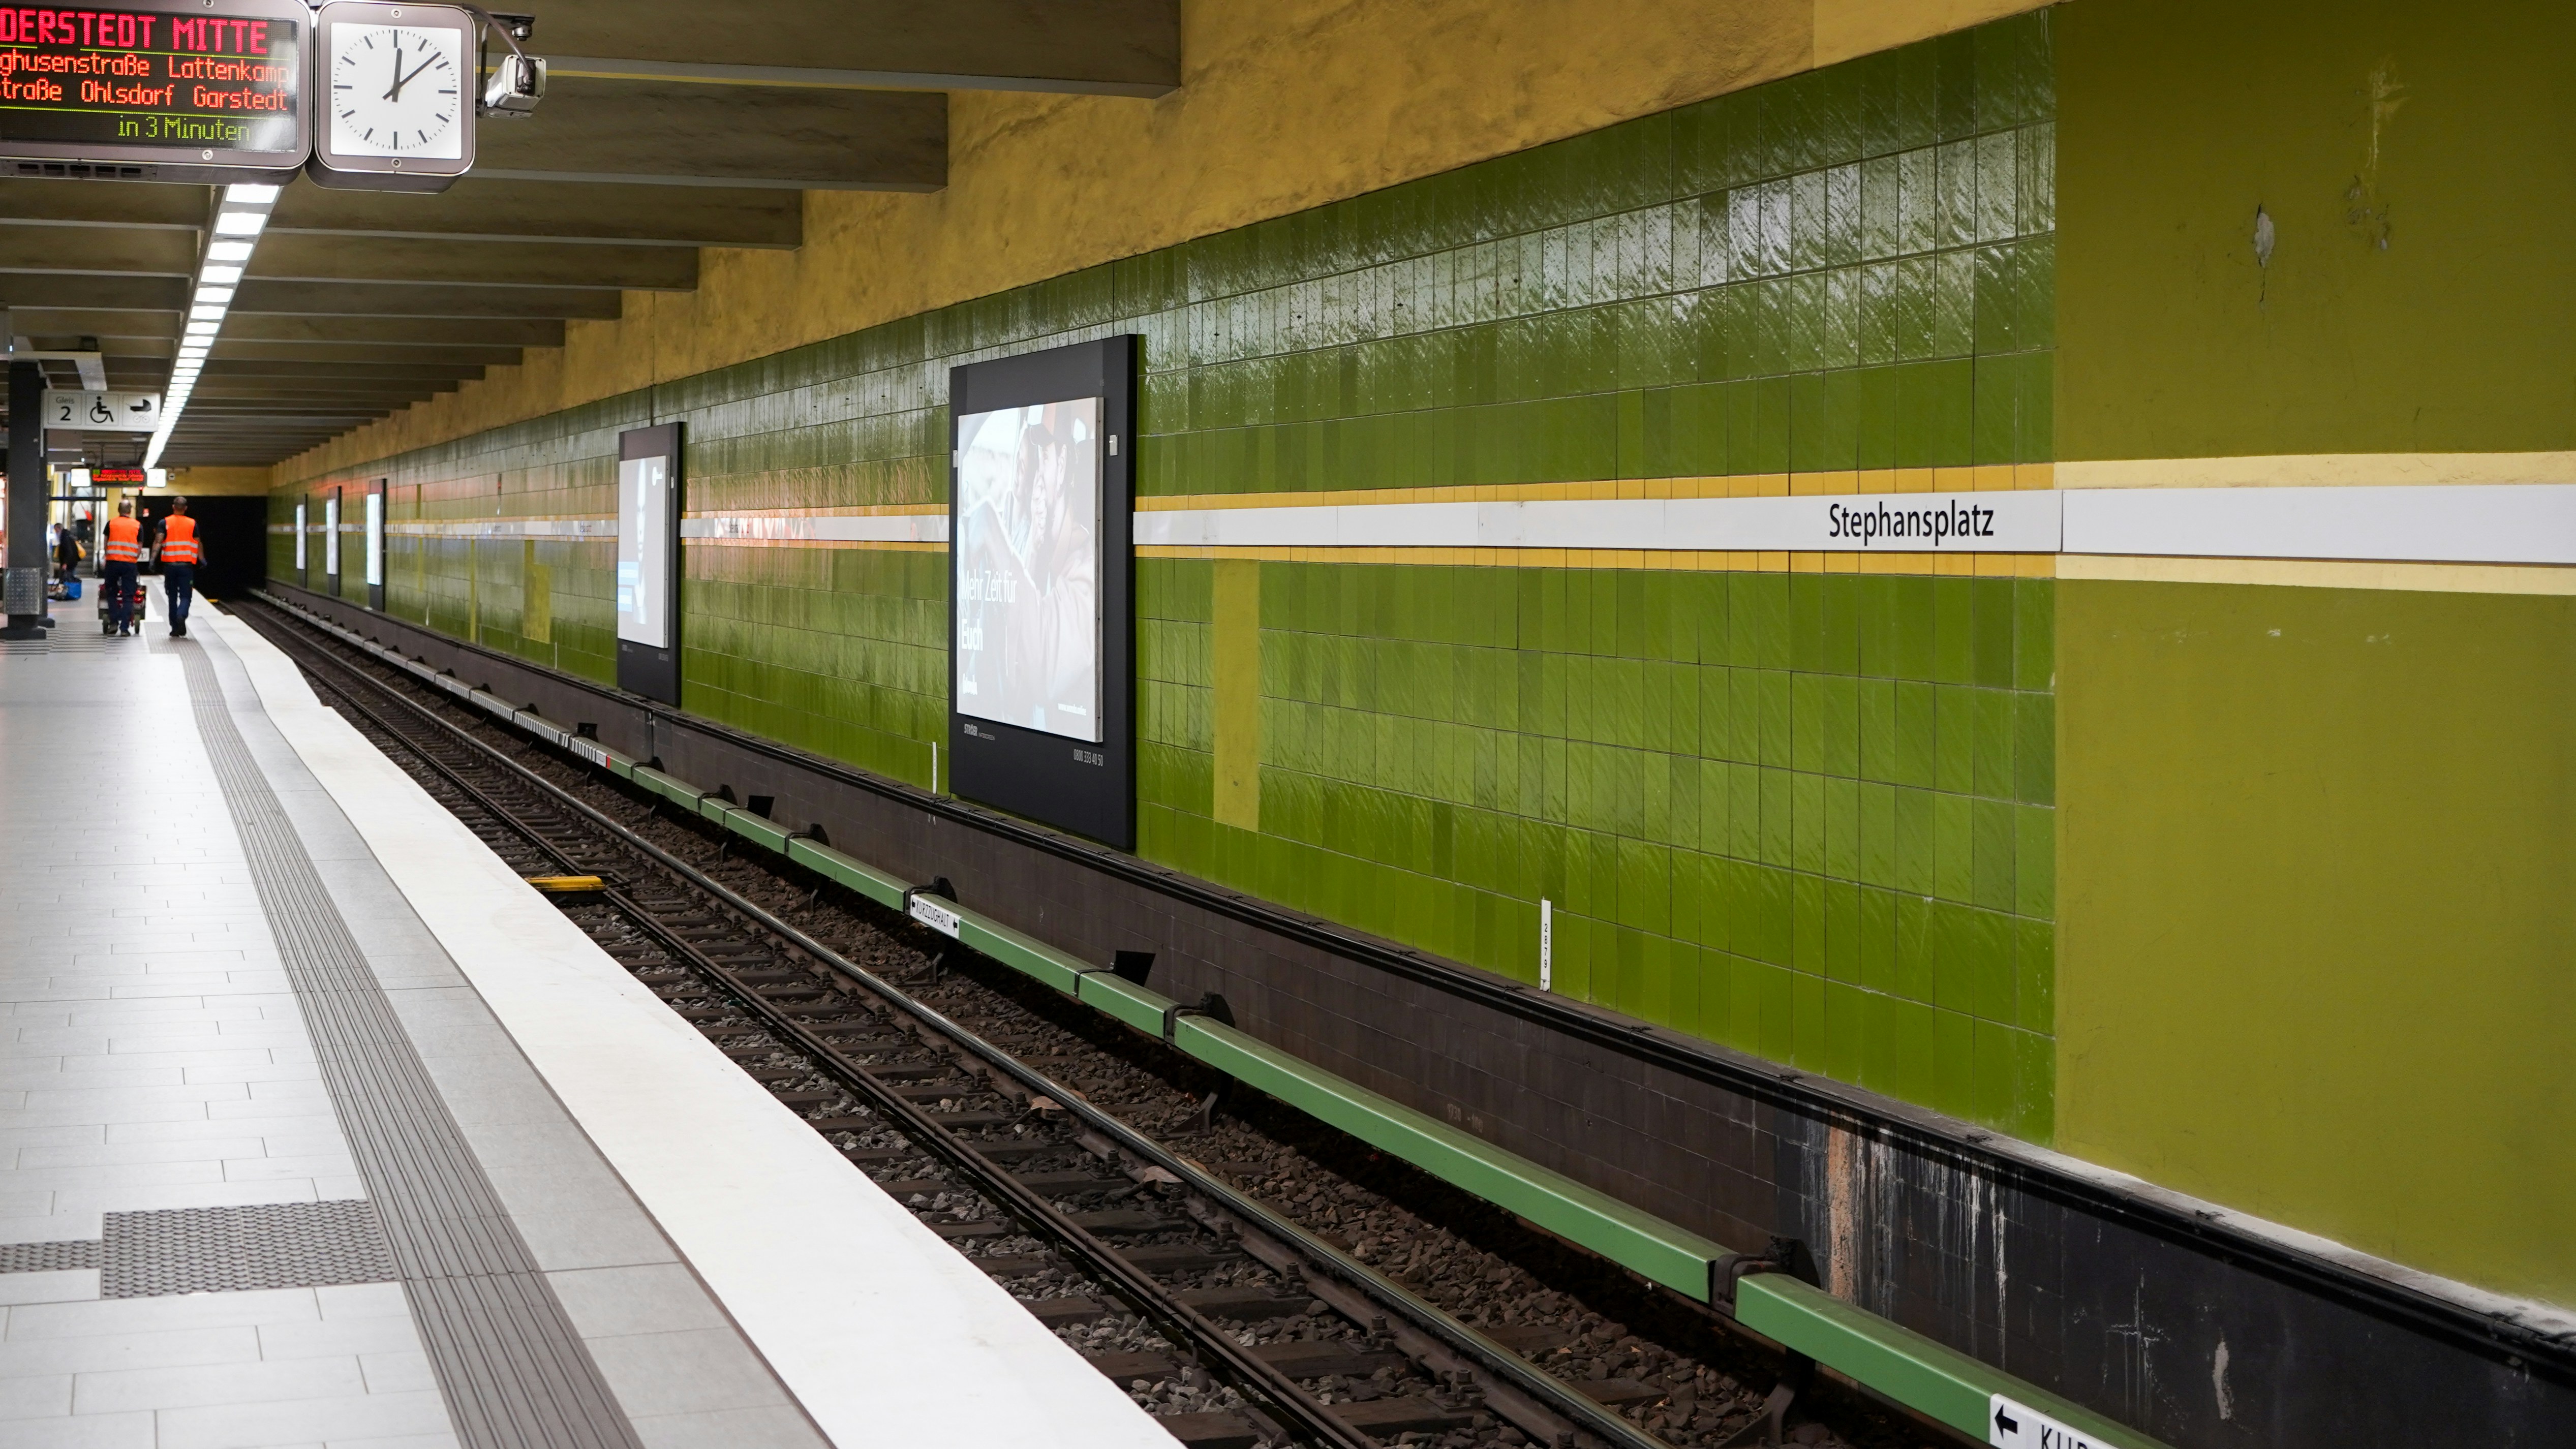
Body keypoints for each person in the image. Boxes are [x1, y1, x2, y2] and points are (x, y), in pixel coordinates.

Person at [158, 497, 201, 638]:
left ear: (173, 507)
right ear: (186, 508)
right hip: (186, 566)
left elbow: (158, 542)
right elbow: (198, 543)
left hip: (170, 566)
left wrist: (152, 560)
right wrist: (203, 559)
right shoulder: (193, 524)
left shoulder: (164, 522)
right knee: (185, 596)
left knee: (171, 597)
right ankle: (181, 615)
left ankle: (175, 629)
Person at [101, 502, 141, 636]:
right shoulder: (137, 525)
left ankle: (113, 624)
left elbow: (106, 541)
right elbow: (139, 545)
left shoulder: (111, 523)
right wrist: (135, 558)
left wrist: (108, 555)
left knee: (111, 593)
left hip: (113, 562)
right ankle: (124, 629)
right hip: (129, 564)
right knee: (128, 596)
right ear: (130, 511)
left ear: (119, 510)